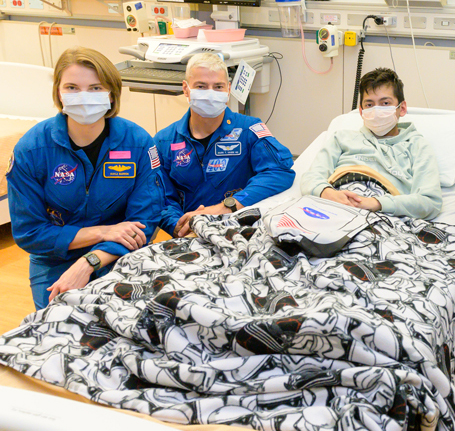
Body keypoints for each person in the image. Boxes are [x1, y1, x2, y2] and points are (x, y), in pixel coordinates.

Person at [6, 47, 163, 311]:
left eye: (95, 88)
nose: (83, 97)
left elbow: (144, 222)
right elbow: (29, 232)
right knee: (59, 327)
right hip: (56, 259)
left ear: (112, 94)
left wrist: (89, 261)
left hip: (118, 253)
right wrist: (101, 231)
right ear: (58, 92)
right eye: (72, 87)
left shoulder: (138, 143)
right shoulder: (31, 149)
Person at [154, 53, 295, 237]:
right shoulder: (164, 141)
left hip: (241, 232)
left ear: (228, 90)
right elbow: (160, 197)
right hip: (189, 236)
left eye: (218, 87)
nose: (211, 93)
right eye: (201, 86)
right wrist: (181, 226)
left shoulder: (249, 130)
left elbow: (281, 171)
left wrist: (227, 207)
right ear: (186, 89)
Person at [301, 67, 442, 220]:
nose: (376, 110)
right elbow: (311, 177)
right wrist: (328, 193)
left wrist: (376, 203)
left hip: (381, 210)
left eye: (385, 103)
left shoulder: (417, 146)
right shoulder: (341, 138)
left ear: (402, 108)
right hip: (333, 202)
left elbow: (430, 202)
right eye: (369, 105)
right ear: (361, 111)